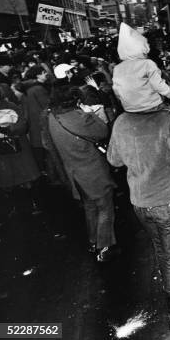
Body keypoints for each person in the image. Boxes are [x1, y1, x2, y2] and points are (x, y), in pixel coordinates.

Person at [107, 94, 170, 333]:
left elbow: (113, 159)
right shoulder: (166, 121)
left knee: (161, 249)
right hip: (166, 201)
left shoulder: (122, 121)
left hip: (140, 202)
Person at [47, 83, 117, 261]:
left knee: (90, 207)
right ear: (76, 100)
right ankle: (104, 247)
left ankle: (93, 241)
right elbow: (102, 131)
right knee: (105, 208)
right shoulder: (79, 118)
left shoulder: (52, 117)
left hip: (73, 172)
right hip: (92, 171)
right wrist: (89, 112)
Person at [112, 23, 170, 113]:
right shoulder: (147, 64)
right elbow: (159, 85)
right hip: (152, 105)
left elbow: (116, 91)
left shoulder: (117, 68)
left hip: (129, 109)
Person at [0, 83, 41, 218]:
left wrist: (8, 129)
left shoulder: (11, 106)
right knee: (8, 181)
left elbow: (22, 125)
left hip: (18, 149)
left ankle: (32, 203)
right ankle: (16, 206)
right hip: (4, 153)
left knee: (25, 179)